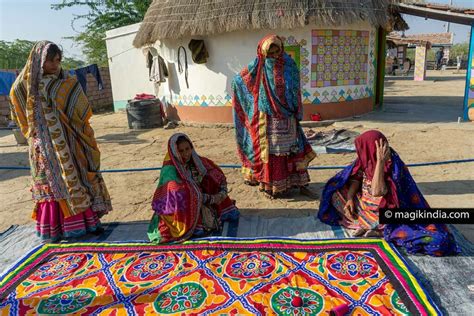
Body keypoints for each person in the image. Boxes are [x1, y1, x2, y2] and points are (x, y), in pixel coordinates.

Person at [9, 41, 112, 241]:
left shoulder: (65, 80)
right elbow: (18, 104)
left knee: (77, 177)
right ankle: (55, 228)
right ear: (40, 61)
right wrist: (34, 131)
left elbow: (79, 105)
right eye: (51, 61)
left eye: (58, 61)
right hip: (44, 146)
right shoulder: (24, 86)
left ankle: (87, 223)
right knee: (52, 183)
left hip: (69, 140)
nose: (56, 65)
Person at [317, 130, 459, 256]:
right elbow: (355, 178)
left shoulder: (392, 167)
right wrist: (349, 198)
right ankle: (367, 225)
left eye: (362, 148)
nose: (359, 152)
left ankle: (376, 229)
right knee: (334, 192)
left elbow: (377, 191)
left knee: (438, 241)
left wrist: (380, 162)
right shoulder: (367, 158)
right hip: (366, 209)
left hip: (387, 215)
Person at [232, 35, 316, 199]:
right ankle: (272, 186)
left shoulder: (290, 64)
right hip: (268, 119)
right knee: (273, 152)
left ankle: (298, 183)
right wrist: (237, 84)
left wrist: (296, 109)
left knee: (292, 149)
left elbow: (295, 89)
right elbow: (240, 80)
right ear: (263, 53)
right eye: (270, 53)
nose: (274, 55)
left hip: (288, 116)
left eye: (277, 51)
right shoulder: (258, 66)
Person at [148, 133, 239, 243]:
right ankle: (193, 222)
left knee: (211, 181)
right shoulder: (170, 168)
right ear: (175, 152)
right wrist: (200, 197)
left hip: (201, 198)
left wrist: (218, 187)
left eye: (188, 149)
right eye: (181, 151)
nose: (186, 154)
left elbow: (213, 171)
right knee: (185, 195)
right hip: (178, 207)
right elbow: (175, 191)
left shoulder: (195, 160)